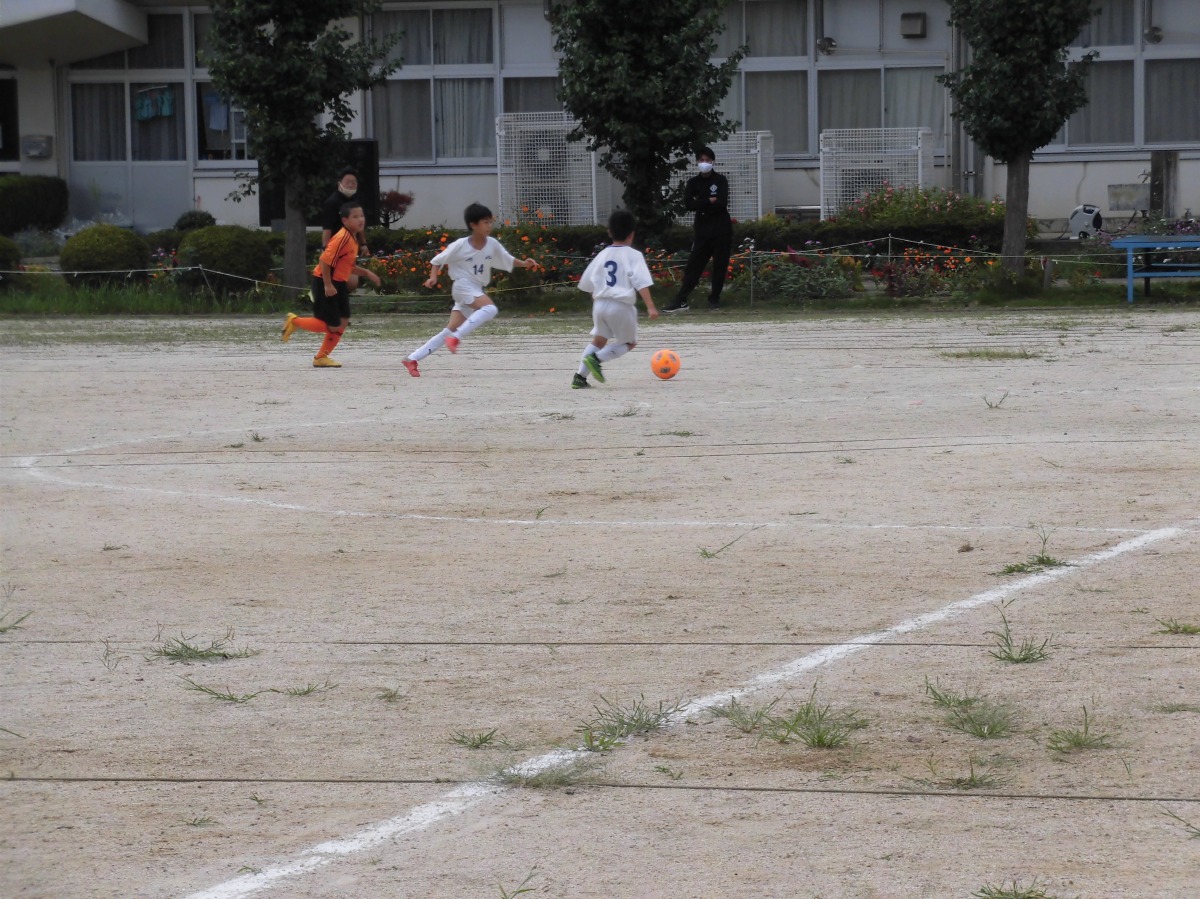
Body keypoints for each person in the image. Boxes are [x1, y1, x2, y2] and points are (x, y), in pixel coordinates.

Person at [401, 203, 539, 377]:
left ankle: (412, 358)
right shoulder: (460, 245)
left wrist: (525, 264)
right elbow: (437, 260)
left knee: (449, 330)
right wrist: (433, 277)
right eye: (485, 222)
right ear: (473, 225)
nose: (489, 226)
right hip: (462, 286)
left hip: (474, 288)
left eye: (490, 222)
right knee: (490, 308)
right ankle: (456, 338)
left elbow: (507, 259)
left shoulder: (492, 244)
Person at [281, 200, 381, 368]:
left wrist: (367, 273)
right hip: (325, 282)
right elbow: (325, 261)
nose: (360, 219)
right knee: (333, 325)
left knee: (343, 321)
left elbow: (346, 265)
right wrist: (327, 284)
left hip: (338, 282)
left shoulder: (352, 238)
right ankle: (294, 321)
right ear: (345, 220)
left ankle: (321, 357)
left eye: (362, 216)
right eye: (355, 216)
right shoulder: (342, 238)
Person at [571, 209, 659, 389]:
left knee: (598, 340)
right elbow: (641, 282)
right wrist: (651, 306)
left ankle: (580, 377)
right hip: (621, 305)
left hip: (599, 304)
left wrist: (598, 301)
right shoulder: (634, 255)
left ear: (610, 232)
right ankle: (596, 358)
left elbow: (588, 283)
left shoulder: (602, 255)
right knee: (629, 342)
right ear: (632, 234)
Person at [663, 146, 732, 312]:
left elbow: (722, 203)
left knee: (720, 266)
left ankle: (714, 299)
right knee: (694, 265)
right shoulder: (693, 183)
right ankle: (681, 300)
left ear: (713, 162)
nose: (704, 163)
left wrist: (701, 203)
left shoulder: (720, 180)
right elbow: (689, 204)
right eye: (701, 160)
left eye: (707, 160)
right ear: (697, 162)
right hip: (702, 231)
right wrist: (708, 201)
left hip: (721, 230)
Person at [321, 168, 369, 290]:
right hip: (336, 247)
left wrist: (363, 244)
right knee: (344, 280)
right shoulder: (332, 202)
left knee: (350, 282)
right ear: (340, 183)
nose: (351, 185)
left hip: (351, 246)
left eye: (353, 182)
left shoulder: (356, 201)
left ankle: (341, 297)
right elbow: (327, 228)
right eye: (348, 182)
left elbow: (359, 225)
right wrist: (325, 248)